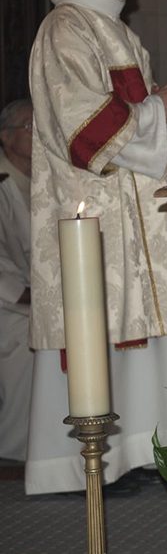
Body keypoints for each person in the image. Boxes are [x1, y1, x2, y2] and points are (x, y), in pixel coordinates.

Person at [26, 0, 167, 494]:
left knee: (144, 329)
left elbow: (128, 120)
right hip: (95, 216)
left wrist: (157, 110)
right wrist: (160, 111)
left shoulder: (117, 32)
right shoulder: (65, 30)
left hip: (133, 214)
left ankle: (144, 450)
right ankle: (83, 463)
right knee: (101, 325)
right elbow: (81, 131)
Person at [0, 99, 34, 462]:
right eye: (30, 126)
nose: (38, 133)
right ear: (6, 139)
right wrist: (25, 295)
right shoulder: (2, 184)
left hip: (37, 296)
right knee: (31, 344)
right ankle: (15, 450)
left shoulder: (44, 180)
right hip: (9, 303)